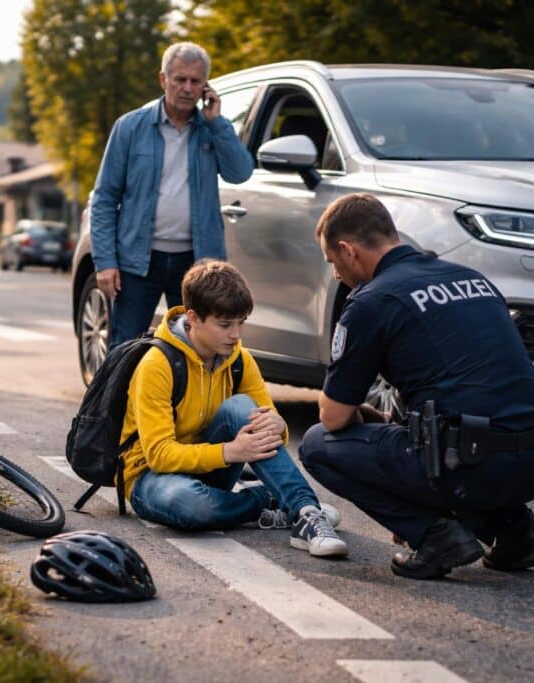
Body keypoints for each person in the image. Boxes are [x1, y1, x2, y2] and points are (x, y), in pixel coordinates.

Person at [297, 193, 534, 579]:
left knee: (318, 445)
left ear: (348, 250)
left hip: (473, 467)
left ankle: (435, 537)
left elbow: (334, 416)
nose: (336, 273)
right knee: (451, 438)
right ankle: (517, 532)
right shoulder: (471, 278)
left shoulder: (372, 302)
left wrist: (408, 503)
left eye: (333, 262)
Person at [121, 259, 347, 557]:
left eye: (241, 322)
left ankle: (306, 513)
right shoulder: (156, 365)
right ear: (193, 318)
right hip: (151, 477)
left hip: (212, 468)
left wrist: (278, 425)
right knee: (189, 505)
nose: (236, 334)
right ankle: (269, 501)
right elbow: (160, 456)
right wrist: (231, 452)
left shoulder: (238, 359)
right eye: (225, 325)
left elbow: (269, 430)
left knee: (242, 406)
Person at [90, 42, 254, 349]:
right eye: (180, 79)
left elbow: (240, 172)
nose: (187, 88)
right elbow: (104, 198)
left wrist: (217, 122)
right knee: (125, 348)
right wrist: (105, 262)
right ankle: (115, 399)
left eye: (196, 81)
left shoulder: (212, 129)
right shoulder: (130, 127)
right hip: (138, 262)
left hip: (197, 263)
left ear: (205, 85)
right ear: (163, 79)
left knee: (197, 348)